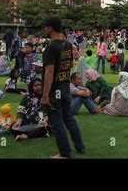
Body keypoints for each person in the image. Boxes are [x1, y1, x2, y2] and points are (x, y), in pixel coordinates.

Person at [41, 16, 85, 159]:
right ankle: (80, 147)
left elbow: (49, 72)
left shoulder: (51, 47)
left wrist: (45, 95)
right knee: (69, 118)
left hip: (55, 89)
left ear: (50, 28)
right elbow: (70, 64)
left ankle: (64, 153)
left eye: (45, 27)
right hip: (65, 86)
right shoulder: (67, 44)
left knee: (57, 123)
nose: (44, 29)